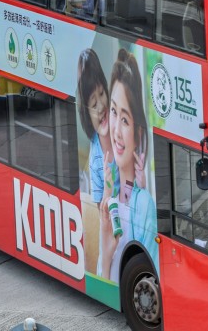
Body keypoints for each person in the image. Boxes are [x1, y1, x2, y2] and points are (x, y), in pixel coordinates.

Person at [98, 48, 157, 282]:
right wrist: (107, 252)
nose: (116, 131)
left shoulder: (143, 205)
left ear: (138, 134)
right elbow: (102, 283)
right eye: (113, 112)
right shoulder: (108, 199)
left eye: (125, 119)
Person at [76, 48, 111, 207]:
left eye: (102, 93)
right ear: (87, 116)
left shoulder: (121, 128)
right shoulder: (96, 159)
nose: (101, 106)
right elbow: (100, 210)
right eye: (93, 104)